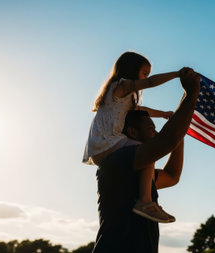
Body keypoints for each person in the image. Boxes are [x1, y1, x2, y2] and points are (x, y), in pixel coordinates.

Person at [93, 69, 200, 253]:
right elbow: (166, 141)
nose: (157, 133)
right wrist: (191, 95)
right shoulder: (119, 160)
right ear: (133, 133)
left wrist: (179, 133)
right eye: (151, 128)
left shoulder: (141, 169)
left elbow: (172, 176)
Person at [83, 51, 187, 222]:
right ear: (131, 69)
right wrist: (176, 74)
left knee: (148, 154)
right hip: (106, 143)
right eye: (144, 73)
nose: (146, 78)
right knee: (149, 152)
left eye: (147, 75)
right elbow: (151, 83)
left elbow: (141, 110)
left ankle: (146, 199)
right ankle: (145, 202)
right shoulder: (120, 86)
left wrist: (163, 114)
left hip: (102, 147)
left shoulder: (122, 97)